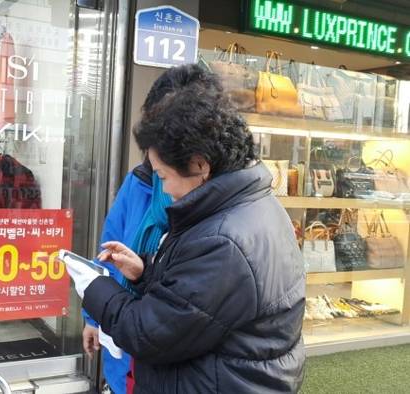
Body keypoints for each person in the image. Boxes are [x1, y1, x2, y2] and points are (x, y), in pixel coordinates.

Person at [69, 64, 306, 393]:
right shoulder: (246, 207)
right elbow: (195, 301)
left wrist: (93, 287)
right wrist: (145, 271)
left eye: (164, 176)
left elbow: (150, 332)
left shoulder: (224, 239)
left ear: (199, 164)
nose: (163, 190)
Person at [82, 159, 171, 394]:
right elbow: (109, 252)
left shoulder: (198, 199)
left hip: (161, 339)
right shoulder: (139, 179)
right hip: (122, 330)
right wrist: (93, 318)